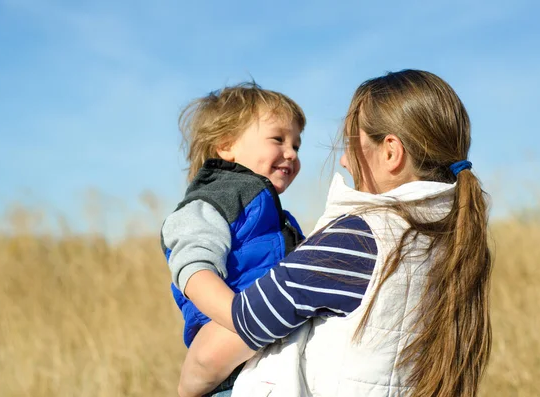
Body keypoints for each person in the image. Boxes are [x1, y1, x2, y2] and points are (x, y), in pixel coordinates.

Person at [183, 69, 493, 397]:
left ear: (390, 152)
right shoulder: (455, 242)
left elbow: (216, 350)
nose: (344, 160)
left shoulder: (356, 240)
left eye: (350, 144)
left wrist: (186, 388)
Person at [160, 82, 306, 397]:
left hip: (271, 355)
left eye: (296, 145)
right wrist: (243, 318)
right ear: (226, 145)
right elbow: (193, 270)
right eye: (278, 139)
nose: (291, 153)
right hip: (233, 367)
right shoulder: (213, 201)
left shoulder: (274, 213)